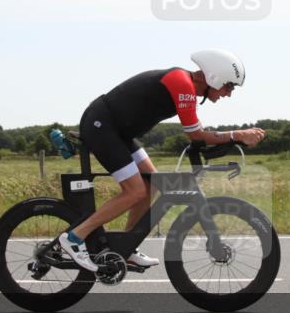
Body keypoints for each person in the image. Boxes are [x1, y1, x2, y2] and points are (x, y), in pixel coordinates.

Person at [57, 49, 266, 272]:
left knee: (152, 184)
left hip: (119, 133)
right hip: (102, 126)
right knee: (135, 191)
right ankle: (74, 237)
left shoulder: (187, 87)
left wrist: (234, 137)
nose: (228, 93)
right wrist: (237, 135)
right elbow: (196, 135)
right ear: (215, 77)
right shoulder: (182, 84)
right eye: (229, 86)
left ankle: (124, 248)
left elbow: (200, 132)